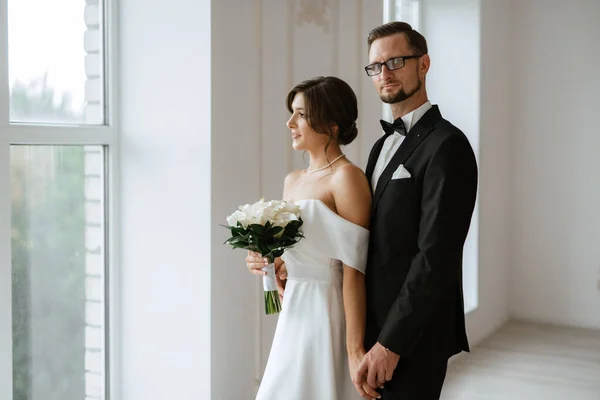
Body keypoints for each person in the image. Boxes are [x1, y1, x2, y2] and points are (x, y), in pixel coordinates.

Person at [356, 21, 478, 399]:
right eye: (376, 66)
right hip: (371, 324)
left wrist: (392, 343)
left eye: (395, 61)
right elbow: (365, 234)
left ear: (423, 64)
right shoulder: (379, 147)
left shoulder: (448, 145)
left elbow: (436, 256)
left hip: (413, 335)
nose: (385, 74)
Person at [247, 76, 378, 399]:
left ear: (332, 124)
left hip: (327, 307)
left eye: (301, 114)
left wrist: (354, 349)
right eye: (292, 113)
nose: (290, 122)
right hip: (295, 308)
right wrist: (267, 259)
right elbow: (295, 251)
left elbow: (354, 270)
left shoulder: (347, 178)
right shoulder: (292, 181)